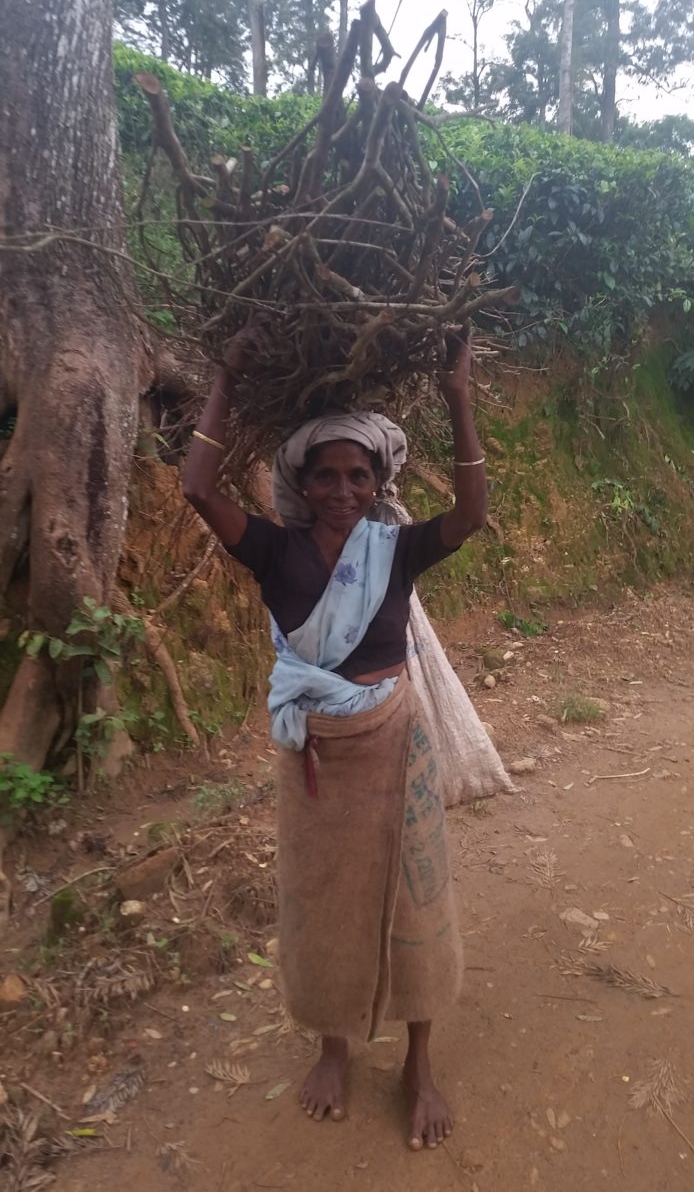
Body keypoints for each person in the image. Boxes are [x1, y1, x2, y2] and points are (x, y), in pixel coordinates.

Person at [182, 330, 488, 1150]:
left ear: (378, 482)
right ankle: (332, 1049)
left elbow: (470, 513)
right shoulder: (273, 551)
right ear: (302, 482)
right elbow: (196, 485)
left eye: (360, 474)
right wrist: (225, 376)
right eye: (327, 474)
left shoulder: (395, 552)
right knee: (321, 906)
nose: (344, 489)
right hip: (314, 756)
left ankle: (421, 1064)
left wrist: (459, 397)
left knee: (415, 898)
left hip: (398, 743)